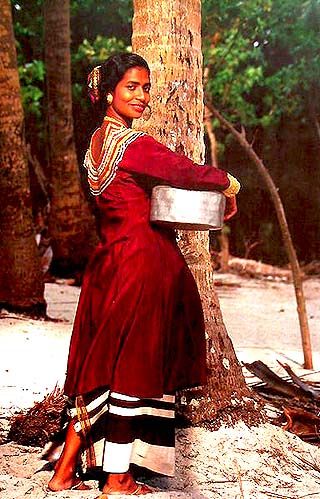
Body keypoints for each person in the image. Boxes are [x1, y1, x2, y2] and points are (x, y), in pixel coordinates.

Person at [47, 53, 240, 496]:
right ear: (110, 93)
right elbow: (185, 172)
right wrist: (229, 184)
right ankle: (117, 479)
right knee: (135, 370)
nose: (141, 95)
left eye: (146, 87)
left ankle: (64, 472)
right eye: (132, 86)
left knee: (103, 368)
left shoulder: (95, 146)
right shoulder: (134, 144)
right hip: (143, 265)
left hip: (109, 266)